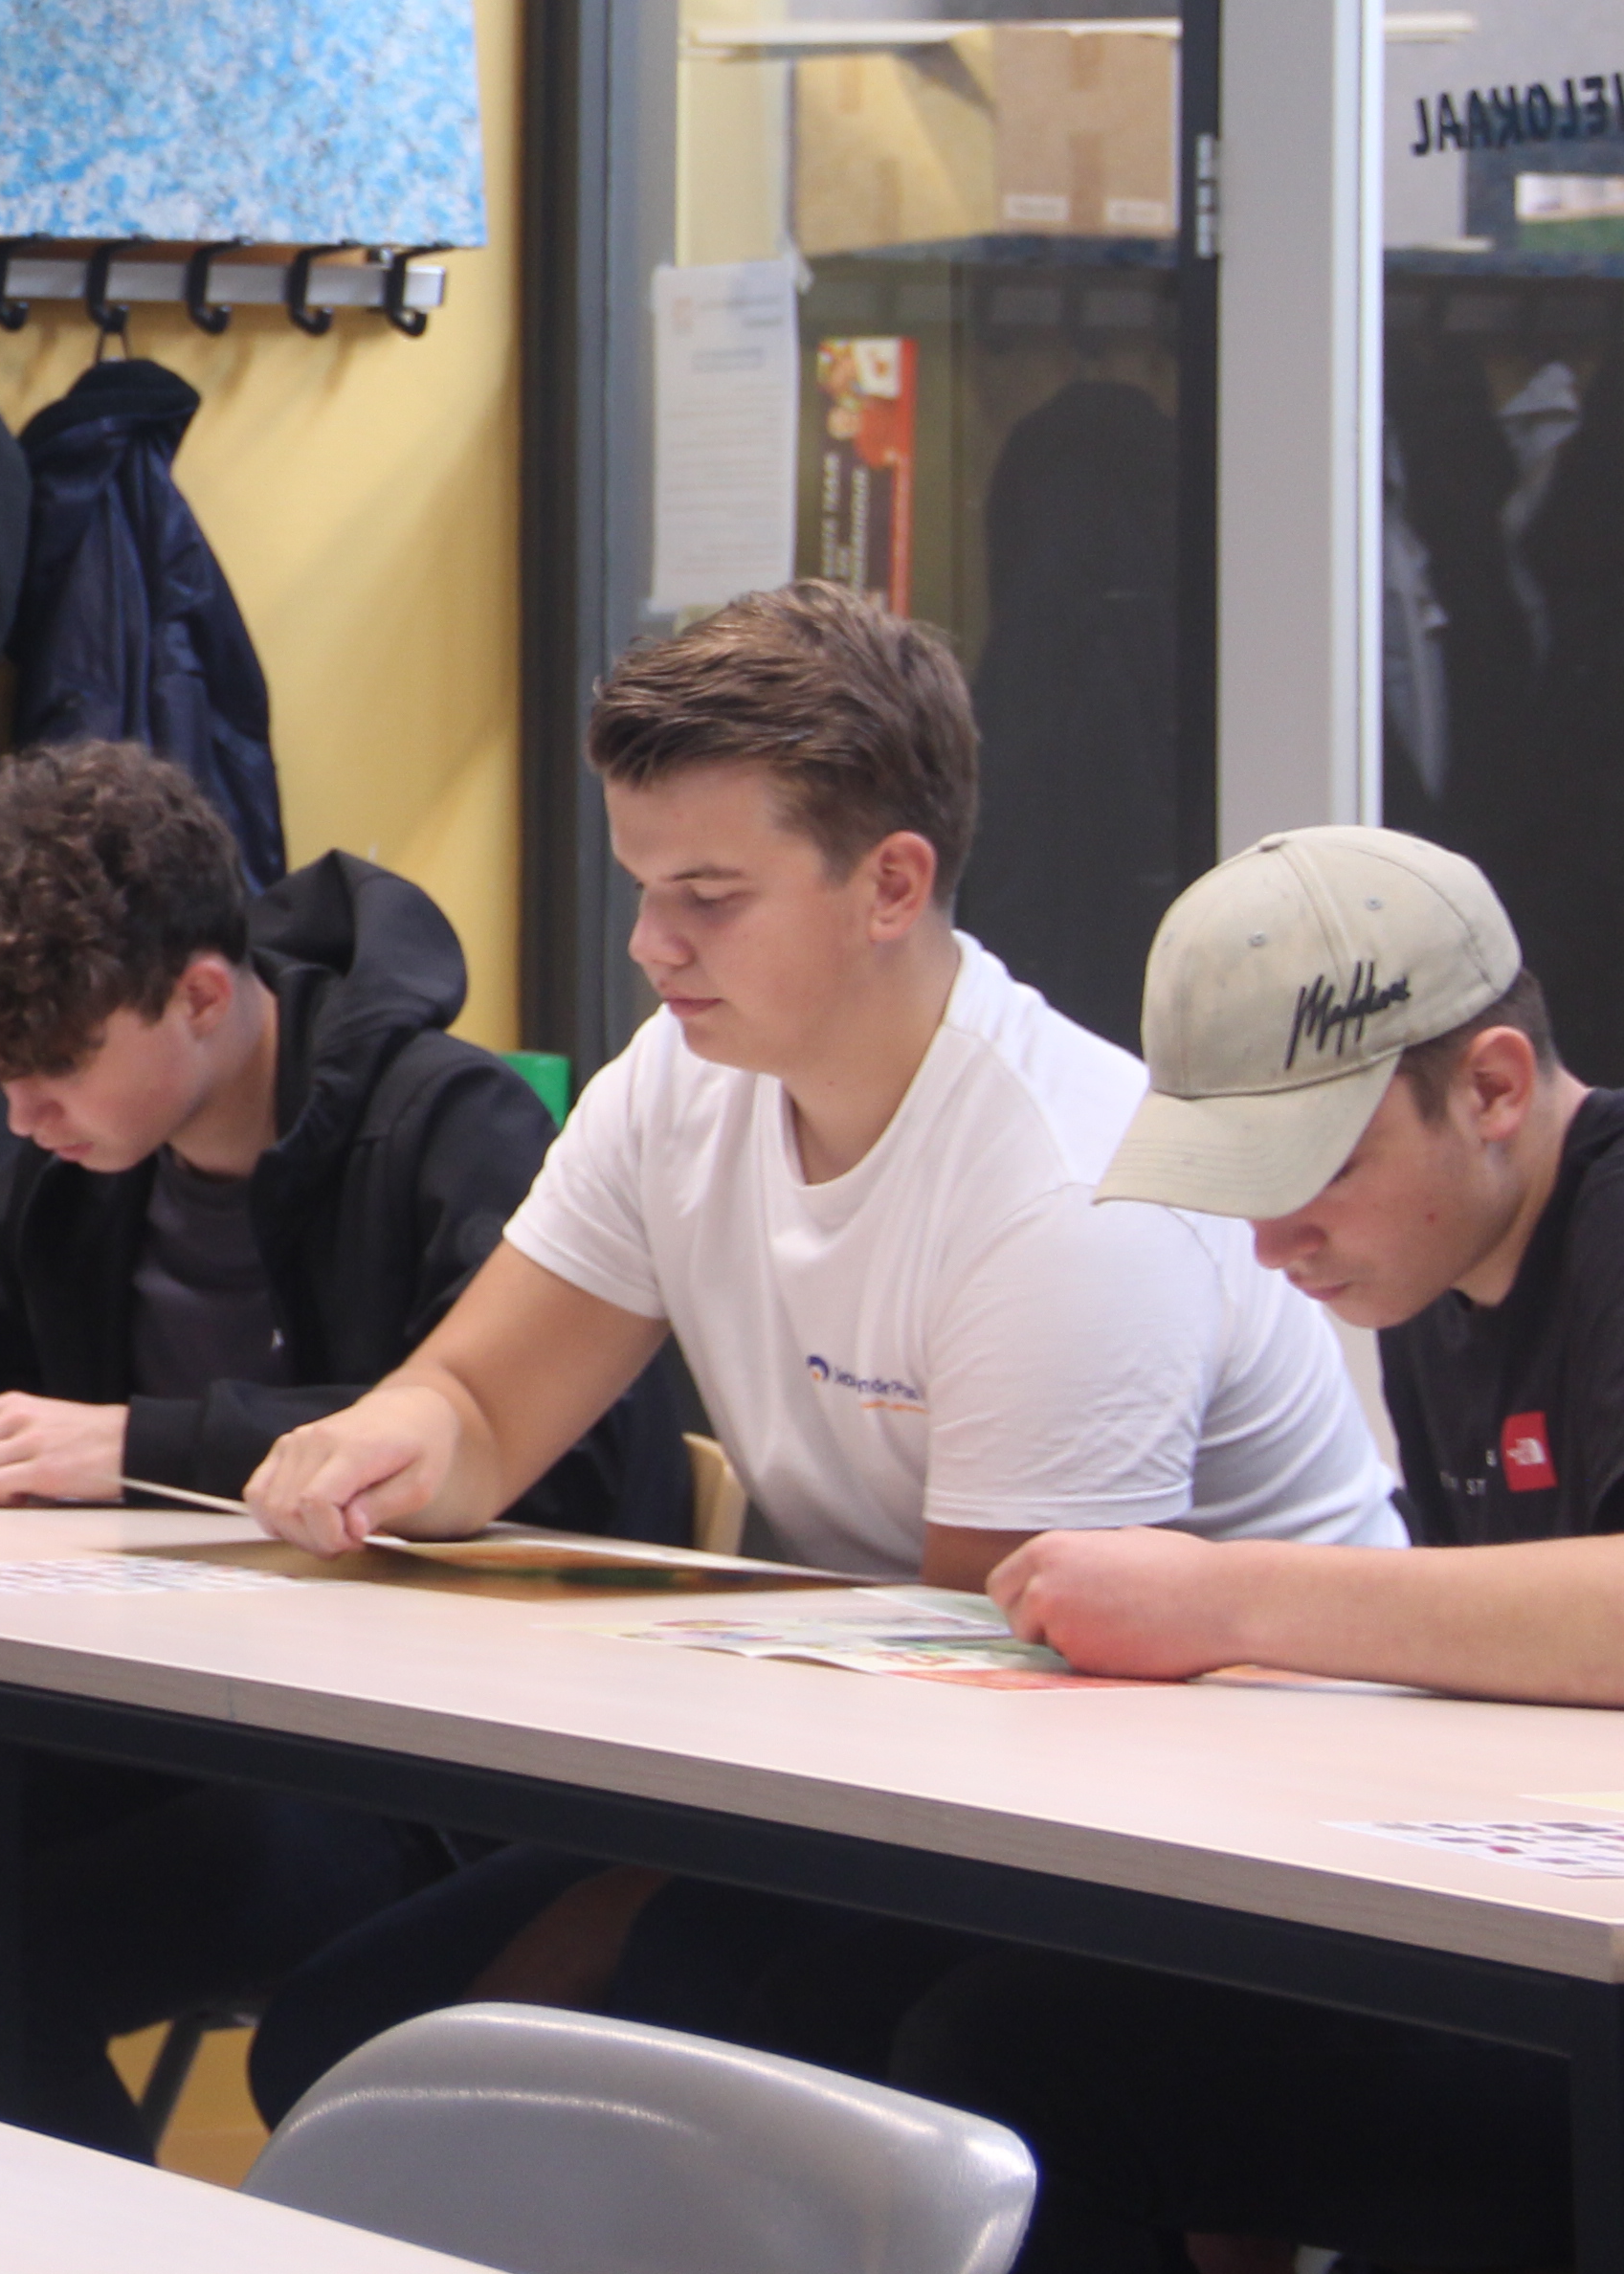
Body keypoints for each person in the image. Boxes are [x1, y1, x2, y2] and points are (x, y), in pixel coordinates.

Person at [235, 583, 1394, 2110]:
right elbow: (478, 1404)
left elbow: (991, 1675)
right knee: (346, 2034)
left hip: (1218, 1825)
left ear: (892, 883)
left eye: (710, 896)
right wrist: (382, 1450)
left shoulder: (1063, 1183)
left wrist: (615, 1894)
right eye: (642, 885)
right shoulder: (679, 1077)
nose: (653, 944)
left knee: (606, 2034)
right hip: (881, 1755)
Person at [0, 740, 670, 2144]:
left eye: (51, 1072)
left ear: (199, 996)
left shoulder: (448, 1126)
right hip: (155, 1722)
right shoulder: (79, 1164)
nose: (23, 1118)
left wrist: (136, 1442)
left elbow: (552, 1470)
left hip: (417, 1763)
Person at [883, 828, 1604, 2273]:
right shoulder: (1440, 1270)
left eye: (1313, 1172)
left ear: (1494, 1090)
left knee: (1028, 2062)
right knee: (1011, 2037)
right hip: (1541, 1937)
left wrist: (1224, 1594)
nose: (1275, 1245)